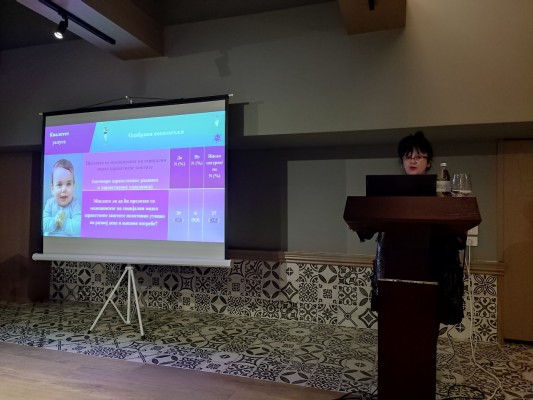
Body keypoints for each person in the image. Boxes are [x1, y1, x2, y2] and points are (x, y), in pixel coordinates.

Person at [363, 131, 466, 326]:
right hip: (394, 269)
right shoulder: (390, 196)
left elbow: (457, 237)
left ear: (428, 162)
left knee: (425, 326)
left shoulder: (442, 195)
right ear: (402, 161)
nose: (412, 161)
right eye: (407, 156)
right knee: (394, 326)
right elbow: (368, 228)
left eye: (419, 156)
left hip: (432, 270)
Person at [43, 158, 82, 236]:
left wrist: (63, 221)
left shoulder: (75, 204)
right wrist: (55, 220)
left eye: (68, 184)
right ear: (52, 189)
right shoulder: (50, 203)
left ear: (73, 186)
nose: (64, 189)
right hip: (50, 241)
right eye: (59, 184)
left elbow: (79, 227)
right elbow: (43, 225)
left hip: (70, 242)